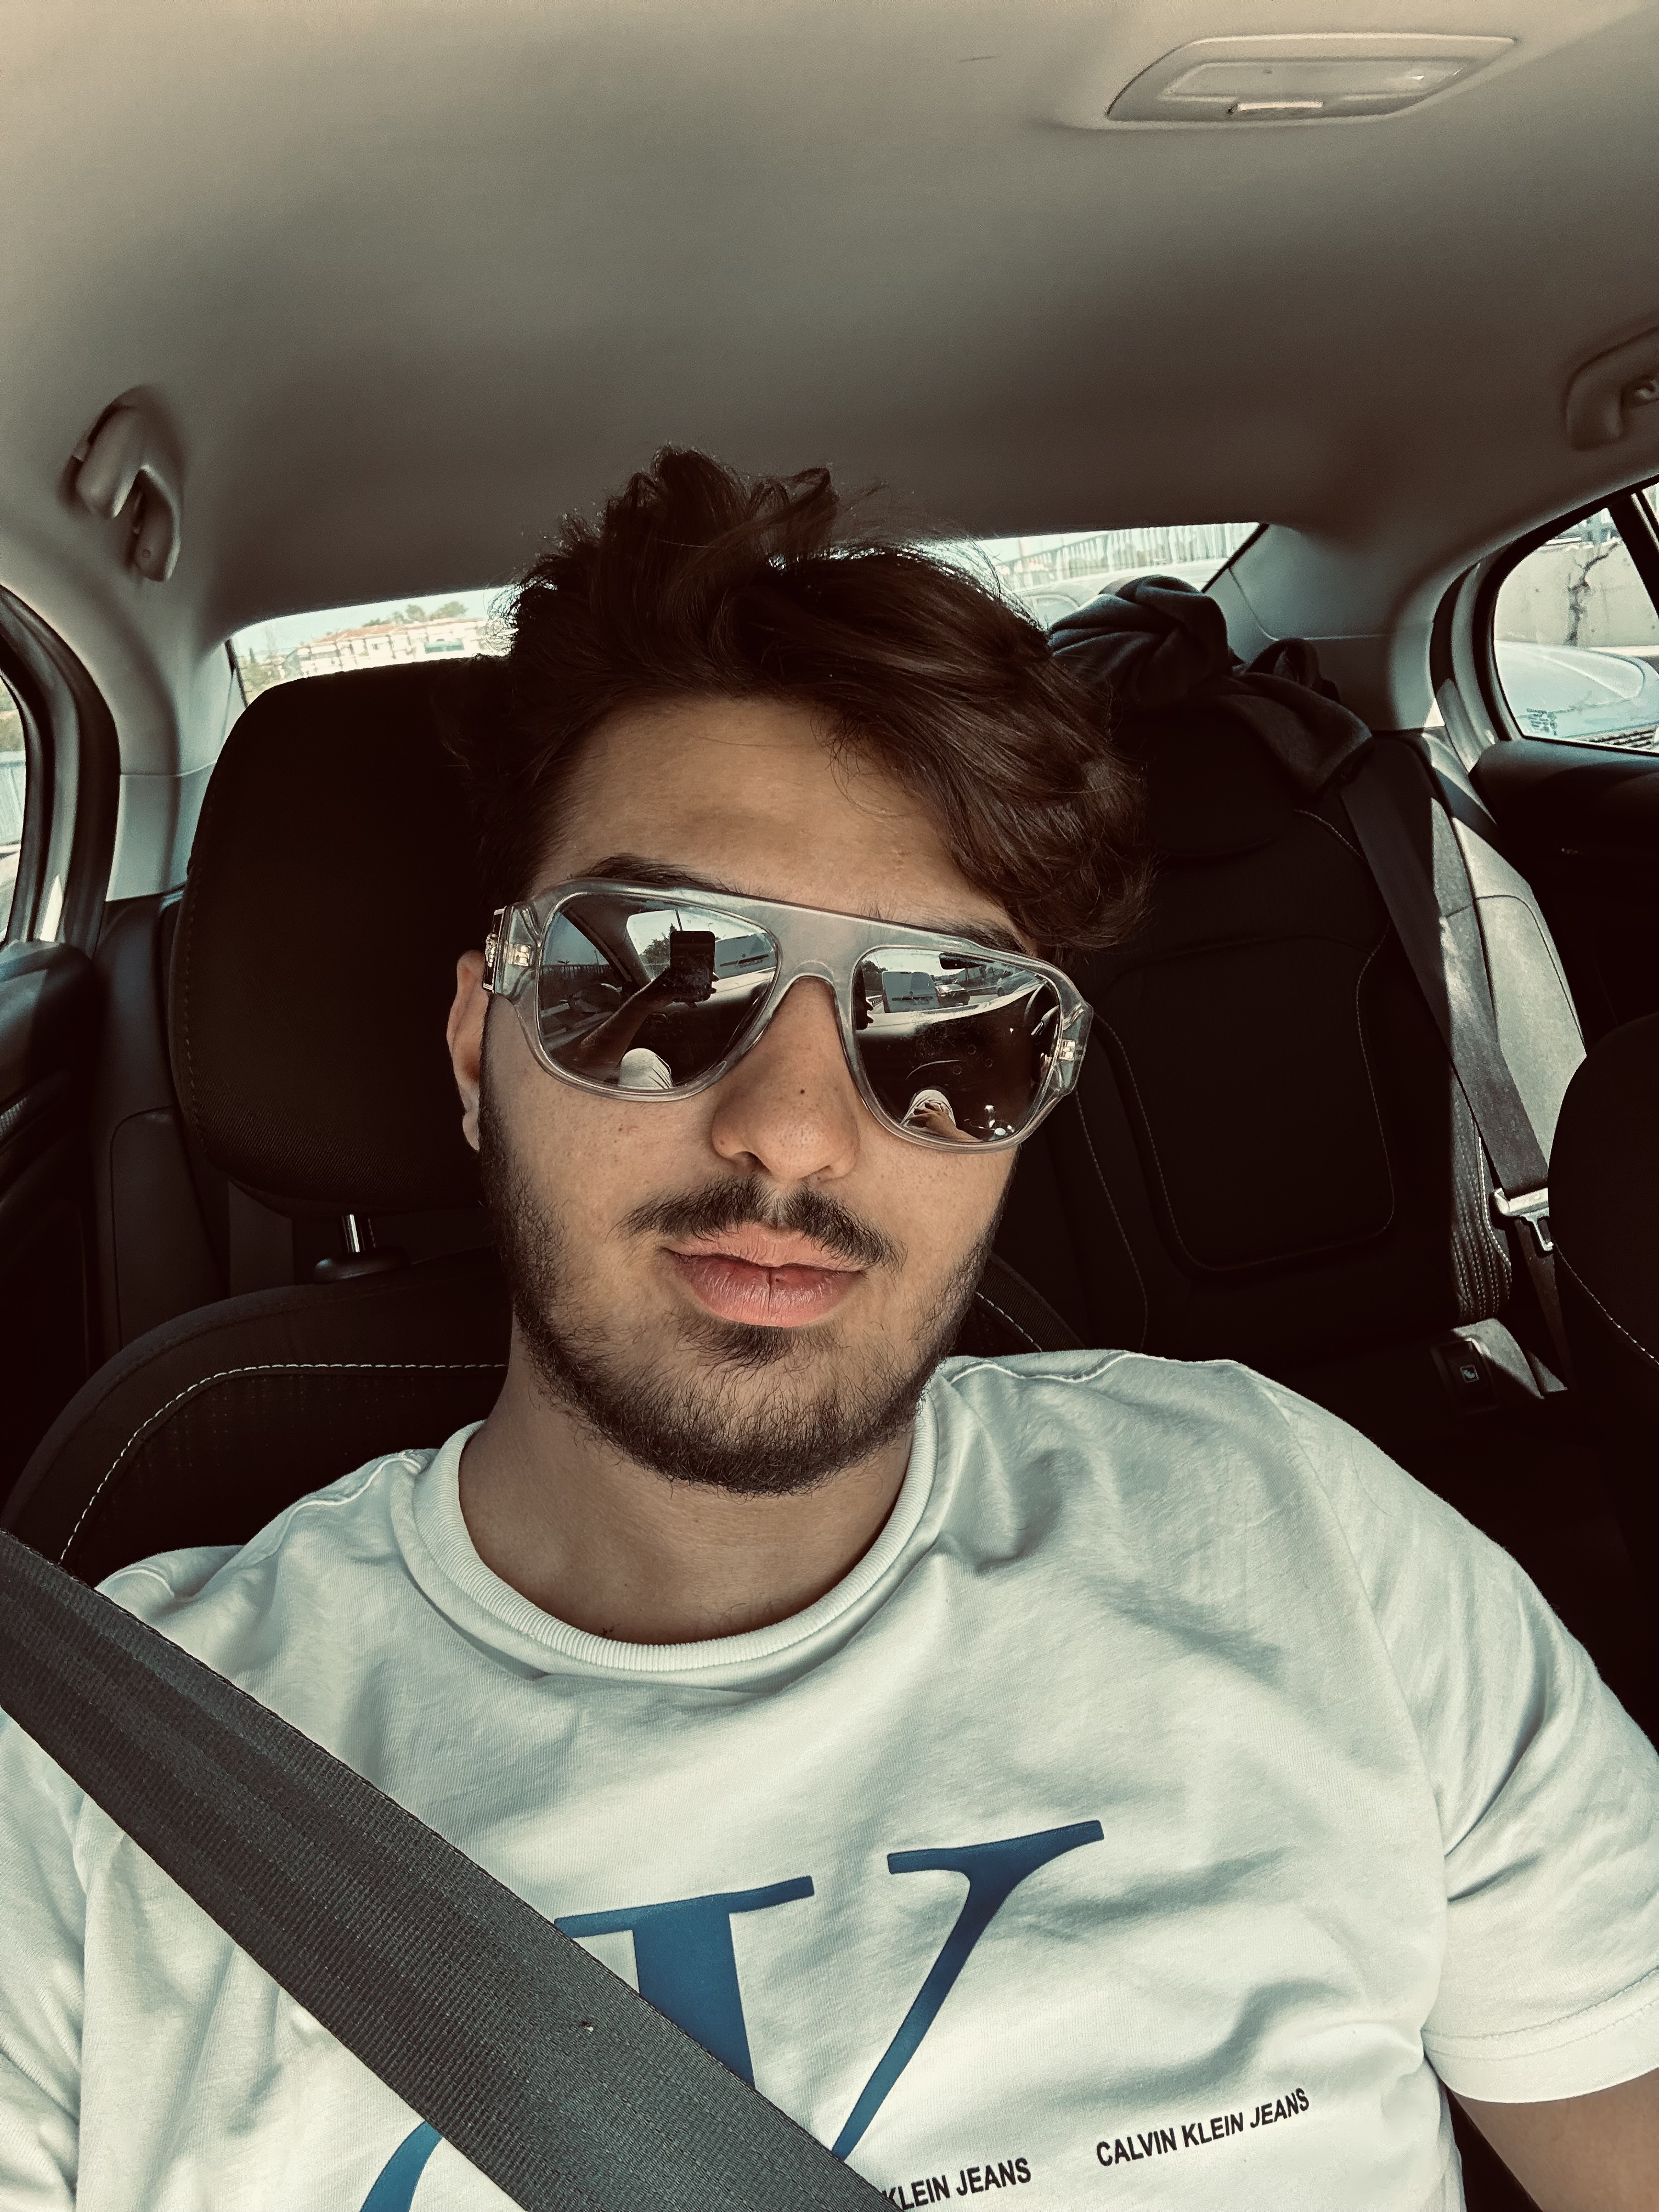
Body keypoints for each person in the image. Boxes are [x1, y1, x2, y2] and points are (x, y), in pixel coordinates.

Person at [1, 452, 1655, 2212]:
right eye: (657, 972)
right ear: (483, 1044)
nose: (793, 1131)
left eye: (952, 1024)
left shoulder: (1293, 1532)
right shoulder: (91, 1790)